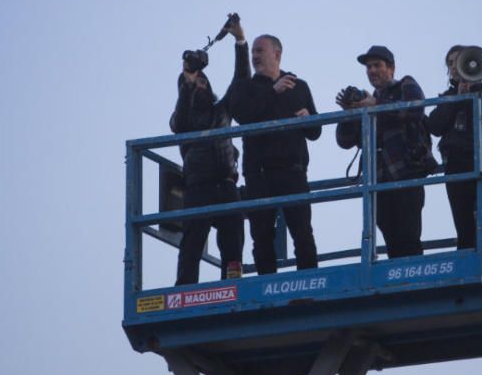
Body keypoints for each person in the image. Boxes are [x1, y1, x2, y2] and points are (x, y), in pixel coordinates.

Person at [226, 34, 320, 275]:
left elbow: (315, 132)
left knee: (303, 233)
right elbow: (244, 115)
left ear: (276, 55)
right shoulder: (244, 87)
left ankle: (310, 284)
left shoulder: (299, 86)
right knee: (262, 237)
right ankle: (266, 287)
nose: (254, 56)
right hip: (260, 175)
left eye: (259, 51)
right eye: (253, 52)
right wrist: (272, 92)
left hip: (294, 171)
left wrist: (309, 120)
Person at [169, 18, 250, 286]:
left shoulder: (221, 110)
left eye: (203, 80)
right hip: (198, 187)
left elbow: (241, 83)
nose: (199, 83)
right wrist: (187, 82)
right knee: (192, 243)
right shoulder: (184, 117)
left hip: (226, 184)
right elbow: (178, 125)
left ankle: (232, 287)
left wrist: (239, 41)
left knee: (233, 243)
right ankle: (185, 291)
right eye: (195, 83)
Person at [336, 45, 434, 259]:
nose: (372, 70)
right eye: (368, 67)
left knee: (409, 236)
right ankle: (398, 283)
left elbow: (415, 108)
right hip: (378, 180)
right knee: (391, 239)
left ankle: (412, 279)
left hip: (407, 174)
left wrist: (376, 105)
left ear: (391, 68)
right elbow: (344, 141)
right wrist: (348, 113)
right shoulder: (366, 102)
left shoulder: (405, 84)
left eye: (377, 65)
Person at [428, 45, 482, 259]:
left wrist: (475, 95)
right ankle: (467, 261)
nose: (455, 67)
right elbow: (434, 126)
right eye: (451, 64)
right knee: (464, 223)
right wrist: (457, 100)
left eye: (458, 61)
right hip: (456, 164)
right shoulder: (447, 97)